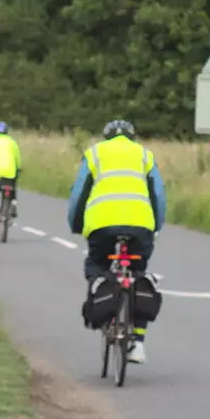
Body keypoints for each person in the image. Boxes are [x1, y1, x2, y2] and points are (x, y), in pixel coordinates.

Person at [67, 119, 167, 364]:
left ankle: (100, 285)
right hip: (140, 223)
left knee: (97, 263)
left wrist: (76, 224)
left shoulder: (94, 154)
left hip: (102, 224)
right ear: (132, 137)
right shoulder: (144, 155)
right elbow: (158, 195)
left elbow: (79, 193)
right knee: (138, 272)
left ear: (106, 137)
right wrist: (155, 226)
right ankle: (139, 343)